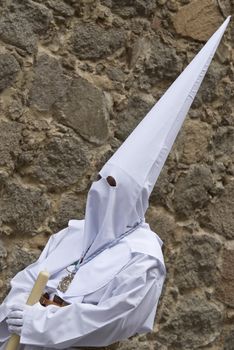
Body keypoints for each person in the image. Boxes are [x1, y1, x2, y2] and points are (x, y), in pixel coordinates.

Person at [0, 16, 230, 350]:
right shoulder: (73, 234)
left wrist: (39, 322)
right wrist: (17, 308)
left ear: (134, 196)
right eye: (98, 179)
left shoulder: (144, 258)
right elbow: (29, 277)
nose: (100, 190)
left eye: (112, 184)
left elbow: (112, 320)